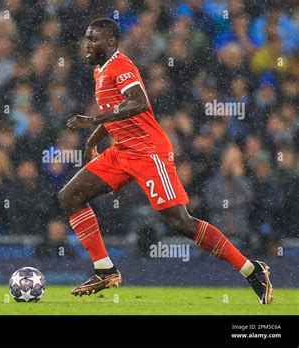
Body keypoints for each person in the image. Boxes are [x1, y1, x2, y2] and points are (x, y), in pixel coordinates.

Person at [60, 18, 273, 304]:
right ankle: (104, 269)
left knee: (179, 221)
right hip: (122, 151)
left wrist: (91, 121)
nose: (87, 44)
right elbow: (117, 109)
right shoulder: (101, 69)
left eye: (93, 38)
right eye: (86, 38)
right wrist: (93, 139)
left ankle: (251, 270)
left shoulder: (121, 65)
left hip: (149, 152)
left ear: (110, 42)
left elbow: (139, 102)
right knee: (70, 195)